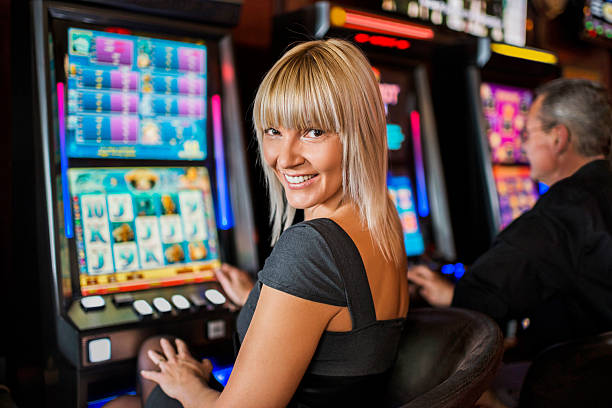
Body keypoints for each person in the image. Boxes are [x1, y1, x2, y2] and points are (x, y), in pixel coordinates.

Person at [106, 38, 408, 408]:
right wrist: (262, 297)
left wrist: (192, 387)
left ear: (358, 132)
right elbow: (335, 319)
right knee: (157, 353)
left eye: (314, 132)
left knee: (129, 391)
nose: (284, 158)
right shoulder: (383, 215)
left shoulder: (312, 248)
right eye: (273, 131)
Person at [408, 78, 612, 403]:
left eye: (528, 134)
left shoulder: (565, 209)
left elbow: (485, 296)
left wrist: (449, 292)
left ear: (559, 138)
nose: (522, 145)